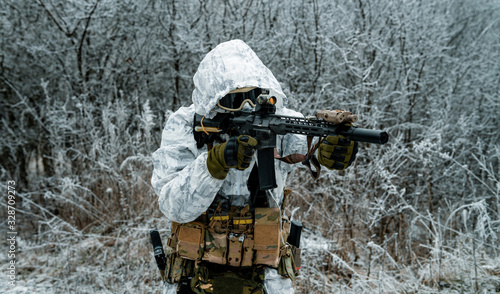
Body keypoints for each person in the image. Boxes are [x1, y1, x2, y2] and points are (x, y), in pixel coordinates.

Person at [151, 39, 358, 294]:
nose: (248, 106)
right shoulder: (185, 126)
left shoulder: (280, 123)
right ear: (213, 98)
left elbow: (311, 144)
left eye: (254, 96)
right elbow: (173, 206)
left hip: (267, 278)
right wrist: (214, 163)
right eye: (235, 99)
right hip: (194, 276)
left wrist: (330, 148)